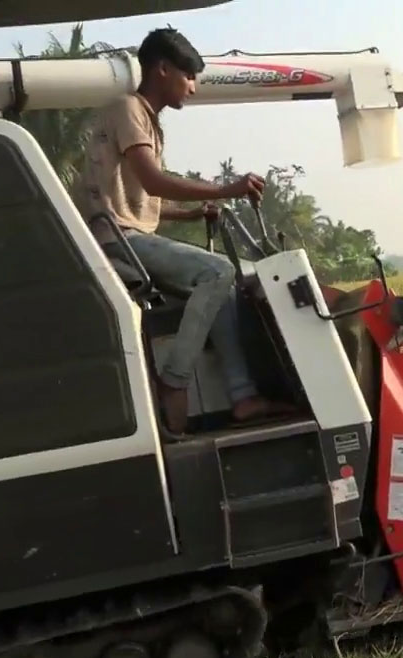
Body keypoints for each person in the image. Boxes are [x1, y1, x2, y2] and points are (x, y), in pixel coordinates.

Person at [72, 26, 290, 435]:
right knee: (219, 271)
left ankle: (243, 396)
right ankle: (174, 380)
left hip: (129, 236)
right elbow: (154, 182)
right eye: (188, 76)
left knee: (226, 286)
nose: (192, 87)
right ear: (162, 69)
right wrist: (227, 189)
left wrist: (192, 214)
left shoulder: (146, 120)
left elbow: (140, 200)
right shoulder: (129, 109)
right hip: (118, 242)